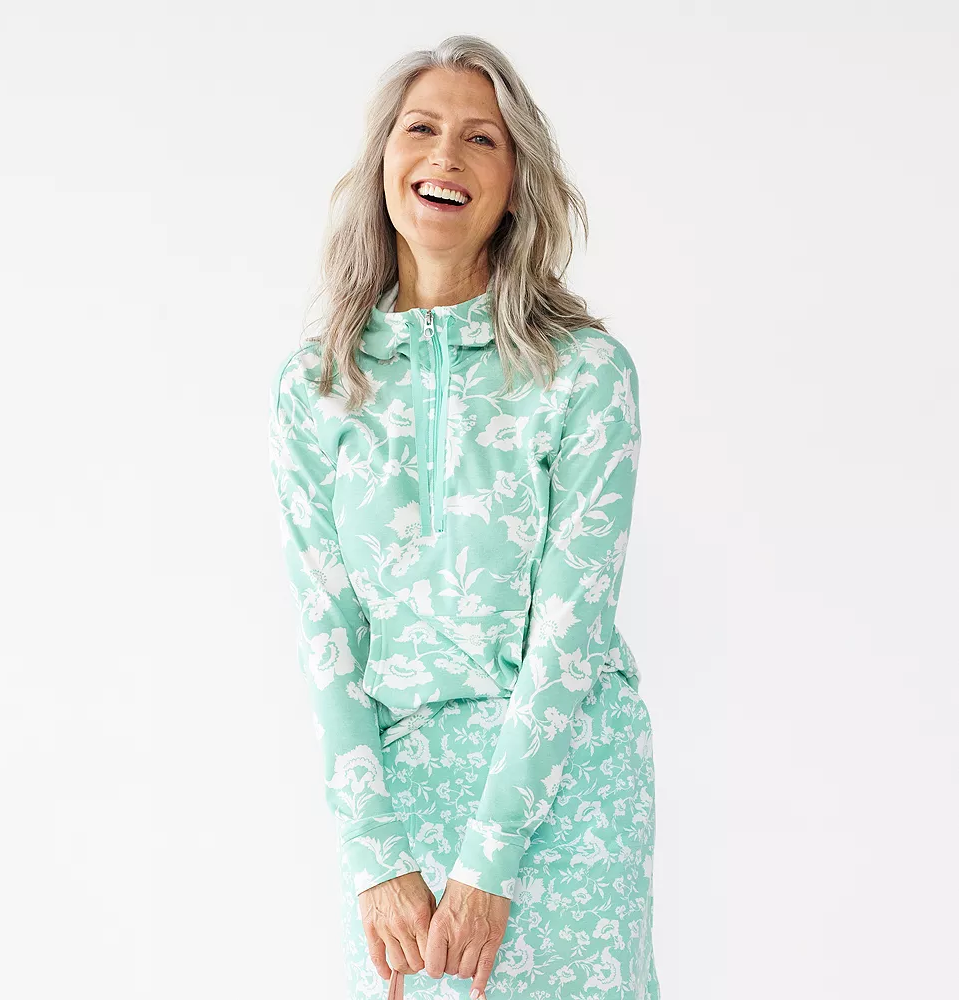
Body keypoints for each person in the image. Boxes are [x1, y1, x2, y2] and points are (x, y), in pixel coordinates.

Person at [267, 34, 659, 1000]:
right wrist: (375, 857)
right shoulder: (316, 388)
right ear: (383, 164)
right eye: (421, 129)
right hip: (399, 807)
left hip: (567, 789)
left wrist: (490, 863)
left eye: (481, 138)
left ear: (516, 185)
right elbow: (327, 637)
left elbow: (572, 631)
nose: (445, 154)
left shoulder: (585, 374)